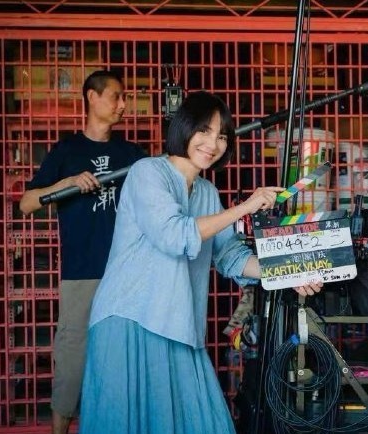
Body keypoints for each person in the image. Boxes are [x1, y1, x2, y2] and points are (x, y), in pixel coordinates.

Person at [79, 91, 322, 434]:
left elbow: (230, 256)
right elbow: (174, 235)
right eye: (205, 131)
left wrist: (290, 273)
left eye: (222, 136)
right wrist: (244, 208)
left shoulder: (207, 192)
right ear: (184, 128)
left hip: (178, 323)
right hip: (129, 318)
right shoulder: (148, 172)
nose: (213, 143)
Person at [19, 70, 146, 434]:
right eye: (116, 96)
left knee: (122, 358)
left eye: (125, 98)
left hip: (127, 273)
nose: (123, 105)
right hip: (81, 273)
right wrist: (67, 183)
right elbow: (27, 203)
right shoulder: (67, 151)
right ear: (92, 97)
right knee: (73, 356)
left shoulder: (131, 155)